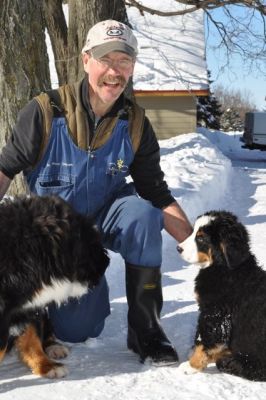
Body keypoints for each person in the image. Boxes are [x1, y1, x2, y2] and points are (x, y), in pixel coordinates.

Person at [0, 20, 192, 365]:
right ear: (86, 60)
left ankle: (146, 329)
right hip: (59, 235)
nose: (115, 71)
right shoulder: (45, 112)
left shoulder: (134, 123)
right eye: (106, 59)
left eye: (124, 61)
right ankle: (69, 305)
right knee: (79, 329)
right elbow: (4, 168)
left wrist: (194, 241)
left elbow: (156, 192)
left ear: (132, 67)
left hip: (108, 214)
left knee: (145, 214)